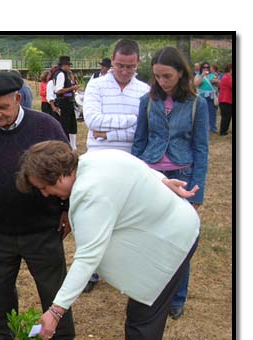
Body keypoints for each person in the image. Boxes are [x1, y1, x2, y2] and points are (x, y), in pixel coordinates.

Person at [19, 140, 200, 340]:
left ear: (59, 175)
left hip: (173, 241)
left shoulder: (91, 192)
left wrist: (56, 311)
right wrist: (162, 181)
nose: (45, 194)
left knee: (144, 316)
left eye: (45, 187)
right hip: (161, 232)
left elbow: (87, 258)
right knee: (138, 309)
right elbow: (139, 167)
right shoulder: (95, 159)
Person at [0, 71, 76, 340]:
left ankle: (61, 336)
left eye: (2, 107)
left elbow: (71, 173)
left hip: (42, 229)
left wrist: (65, 211)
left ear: (18, 99)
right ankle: (0, 334)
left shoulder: (47, 126)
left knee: (54, 286)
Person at [132, 46, 209, 320]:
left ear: (181, 73)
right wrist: (136, 175)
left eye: (167, 76)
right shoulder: (147, 101)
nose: (162, 82)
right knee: (147, 236)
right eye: (157, 77)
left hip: (184, 175)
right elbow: (139, 141)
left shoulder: (197, 104)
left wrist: (198, 191)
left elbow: (201, 148)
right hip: (153, 176)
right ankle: (149, 291)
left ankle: (177, 296)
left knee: (179, 238)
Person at [81, 39, 150, 292]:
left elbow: (141, 130)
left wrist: (108, 134)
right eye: (120, 65)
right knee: (94, 218)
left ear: (138, 63)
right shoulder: (96, 85)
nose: (124, 71)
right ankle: (91, 271)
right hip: (98, 162)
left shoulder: (144, 90)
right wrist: (131, 120)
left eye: (130, 67)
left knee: (126, 221)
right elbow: (92, 120)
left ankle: (121, 272)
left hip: (130, 162)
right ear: (112, 60)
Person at [52, 56, 80, 149]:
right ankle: (65, 145)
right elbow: (58, 90)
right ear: (64, 65)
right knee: (65, 125)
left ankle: (72, 145)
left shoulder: (64, 74)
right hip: (64, 102)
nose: (69, 67)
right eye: (68, 65)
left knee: (72, 124)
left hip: (68, 101)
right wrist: (72, 88)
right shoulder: (60, 74)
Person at [193, 62, 219, 133]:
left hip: (211, 97)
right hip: (202, 97)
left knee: (212, 113)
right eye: (204, 67)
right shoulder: (198, 75)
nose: (206, 68)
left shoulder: (212, 75)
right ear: (201, 68)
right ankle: (202, 128)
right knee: (202, 113)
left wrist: (217, 81)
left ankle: (212, 128)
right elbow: (196, 84)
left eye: (207, 67)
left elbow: (218, 85)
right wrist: (202, 75)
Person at [219, 64, 233, 136]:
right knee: (226, 117)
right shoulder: (227, 78)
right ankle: (223, 131)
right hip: (225, 100)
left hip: (228, 100)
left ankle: (225, 130)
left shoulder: (228, 77)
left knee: (228, 116)